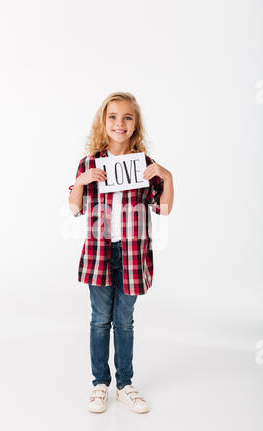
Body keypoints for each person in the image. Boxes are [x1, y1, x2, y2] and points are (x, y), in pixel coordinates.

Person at [68, 92, 174, 414]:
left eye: (127, 117)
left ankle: (125, 384)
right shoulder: (89, 163)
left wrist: (167, 177)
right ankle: (100, 384)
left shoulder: (143, 164)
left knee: (124, 321)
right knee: (100, 320)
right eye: (113, 116)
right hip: (99, 253)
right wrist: (82, 182)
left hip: (132, 255)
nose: (120, 123)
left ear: (135, 124)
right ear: (104, 122)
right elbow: (74, 208)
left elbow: (164, 208)